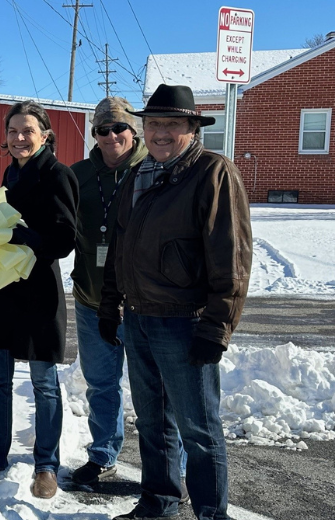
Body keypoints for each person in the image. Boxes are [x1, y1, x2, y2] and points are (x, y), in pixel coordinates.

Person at [98, 84, 252, 520]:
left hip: (185, 324)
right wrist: (112, 305)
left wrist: (217, 327)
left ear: (192, 128)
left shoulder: (212, 172)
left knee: (199, 431)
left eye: (172, 124)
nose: (161, 132)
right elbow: (120, 247)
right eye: (153, 124)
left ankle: (209, 513)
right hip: (140, 319)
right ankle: (160, 501)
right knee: (152, 424)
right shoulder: (140, 174)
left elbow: (233, 259)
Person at [69, 97, 192, 497]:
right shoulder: (80, 175)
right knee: (101, 384)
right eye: (102, 130)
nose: (111, 136)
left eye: (119, 128)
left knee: (161, 392)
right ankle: (103, 453)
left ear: (133, 131)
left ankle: (178, 469)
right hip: (92, 297)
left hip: (145, 303)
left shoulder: (155, 170)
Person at [0, 102, 78, 499]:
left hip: (39, 291)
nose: (19, 138)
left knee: (44, 382)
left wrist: (20, 236)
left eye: (27, 130)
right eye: (13, 131)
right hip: (1, 292)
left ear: (45, 134)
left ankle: (46, 463)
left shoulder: (58, 175)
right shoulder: (9, 174)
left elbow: (64, 240)